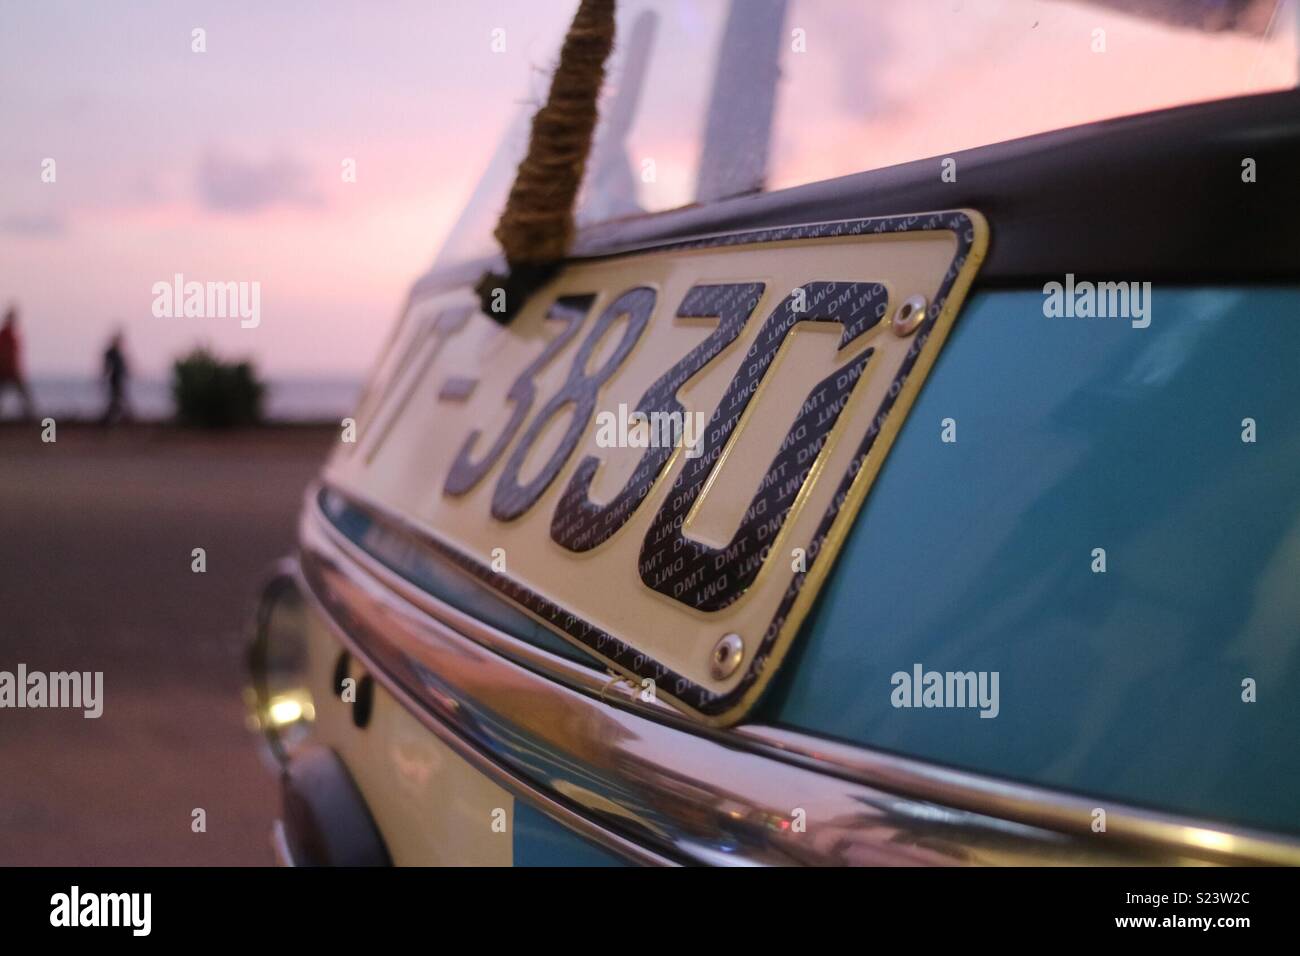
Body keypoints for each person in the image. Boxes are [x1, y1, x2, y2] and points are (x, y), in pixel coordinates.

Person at [0, 306, 36, 421]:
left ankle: (29, 413)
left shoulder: (11, 334)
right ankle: (29, 413)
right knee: (22, 392)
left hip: (12, 369)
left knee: (23, 393)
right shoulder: (5, 334)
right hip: (6, 370)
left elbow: (16, 354)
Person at [101, 330, 132, 426]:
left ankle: (115, 418)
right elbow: (107, 366)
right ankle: (113, 418)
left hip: (118, 379)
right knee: (117, 399)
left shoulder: (118, 353)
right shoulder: (112, 352)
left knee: (118, 399)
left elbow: (124, 366)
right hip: (115, 379)